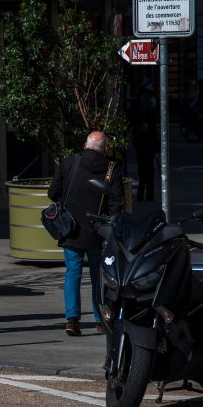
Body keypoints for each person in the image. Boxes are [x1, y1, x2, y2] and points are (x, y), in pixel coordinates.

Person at [48, 131, 125, 336]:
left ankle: (72, 320)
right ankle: (100, 319)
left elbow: (52, 193)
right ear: (105, 148)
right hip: (98, 231)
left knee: (72, 273)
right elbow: (117, 202)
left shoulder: (70, 162)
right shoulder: (111, 169)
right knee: (98, 276)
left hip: (71, 229)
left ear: (85, 145)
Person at [132, 77, 158, 201]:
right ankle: (147, 196)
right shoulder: (147, 99)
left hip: (144, 150)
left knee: (144, 176)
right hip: (146, 150)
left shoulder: (141, 99)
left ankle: (144, 196)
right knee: (147, 175)